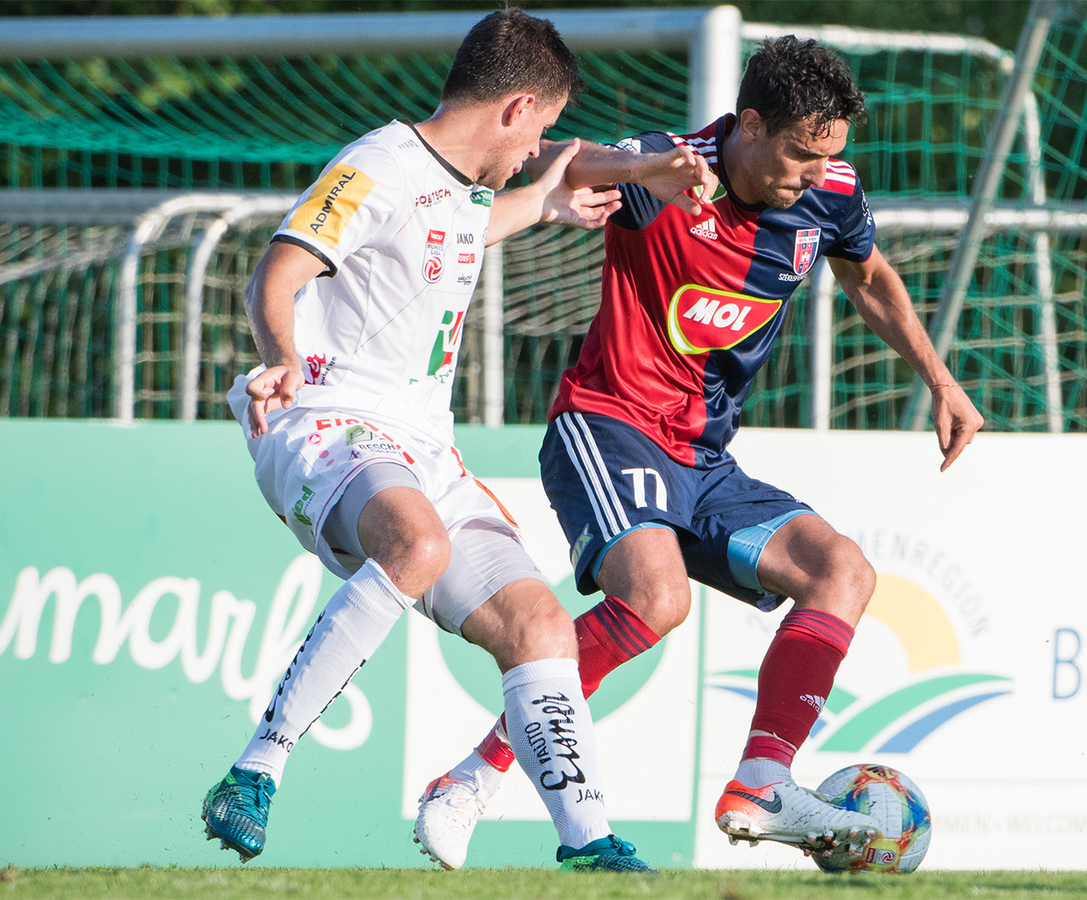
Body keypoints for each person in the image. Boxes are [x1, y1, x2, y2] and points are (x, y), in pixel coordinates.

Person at [413, 35, 984, 867]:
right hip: (607, 424)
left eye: (829, 157)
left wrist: (939, 378)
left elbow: (867, 277)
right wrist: (646, 170)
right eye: (800, 153)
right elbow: (567, 164)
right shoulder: (669, 169)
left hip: (704, 460)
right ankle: (472, 778)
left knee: (843, 572)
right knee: (657, 598)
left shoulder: (829, 192)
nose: (815, 174)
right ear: (749, 126)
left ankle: (763, 782)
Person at [199, 9, 712, 873]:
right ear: (515, 108)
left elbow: (472, 219)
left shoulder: (464, 188)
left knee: (541, 624)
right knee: (418, 545)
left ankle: (587, 845)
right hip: (326, 418)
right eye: (538, 131)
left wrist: (549, 199)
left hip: (423, 447)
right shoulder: (379, 163)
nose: (536, 149)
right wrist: (281, 357)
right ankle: (256, 770)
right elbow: (275, 273)